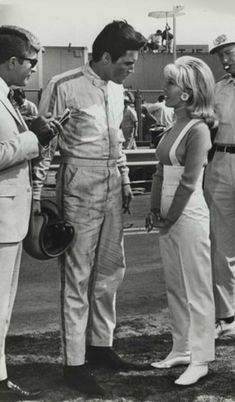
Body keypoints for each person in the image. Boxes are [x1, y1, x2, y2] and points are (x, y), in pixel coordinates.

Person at [33, 20, 147, 397]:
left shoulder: (116, 91)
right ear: (104, 56)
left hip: (113, 183)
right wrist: (36, 199)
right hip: (78, 182)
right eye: (126, 62)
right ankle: (74, 362)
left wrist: (127, 180)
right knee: (78, 276)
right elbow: (44, 147)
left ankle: (101, 345)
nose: (131, 69)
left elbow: (118, 141)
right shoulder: (63, 86)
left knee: (111, 269)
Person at [145, 56, 216, 386]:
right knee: (175, 285)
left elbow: (189, 182)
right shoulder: (173, 125)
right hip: (170, 216)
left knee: (197, 289)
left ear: (187, 93)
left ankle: (201, 358)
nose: (165, 89)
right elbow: (160, 172)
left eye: (170, 83)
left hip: (187, 215)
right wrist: (154, 210)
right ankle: (181, 348)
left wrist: (169, 217)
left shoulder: (198, 130)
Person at [0, 25, 60, 400]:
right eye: (30, 62)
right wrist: (32, 139)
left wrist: (35, 133)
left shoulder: (9, 97)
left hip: (10, 216)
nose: (33, 69)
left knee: (3, 306)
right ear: (10, 61)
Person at [204, 35, 235, 339]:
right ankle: (227, 317)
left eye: (228, 53)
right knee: (222, 245)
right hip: (222, 160)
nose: (224, 61)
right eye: (220, 56)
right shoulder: (217, 88)